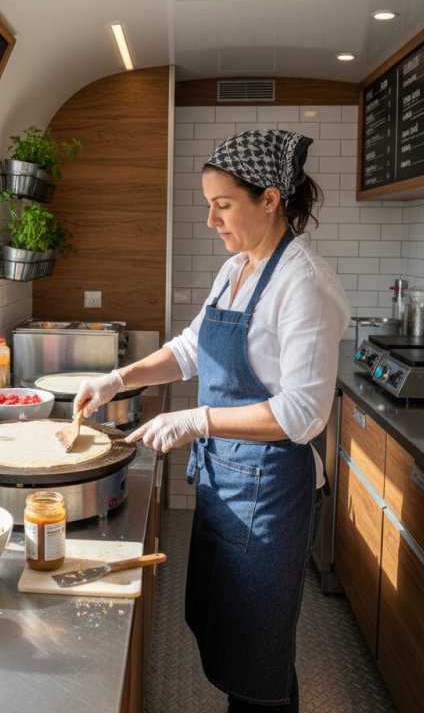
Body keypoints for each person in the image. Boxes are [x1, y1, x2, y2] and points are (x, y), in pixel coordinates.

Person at [74, 130, 351, 713]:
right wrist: (117, 380)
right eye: (210, 205)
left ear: (270, 198)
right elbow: (190, 349)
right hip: (228, 483)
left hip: (271, 494)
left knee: (259, 656)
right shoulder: (236, 271)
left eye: (223, 205)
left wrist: (198, 419)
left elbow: (304, 413)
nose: (211, 220)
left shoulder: (305, 284)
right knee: (231, 635)